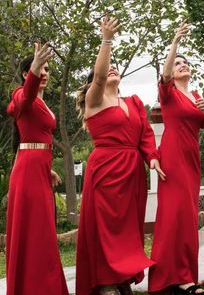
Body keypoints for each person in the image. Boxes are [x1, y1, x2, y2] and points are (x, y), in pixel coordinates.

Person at [75, 16, 165, 295]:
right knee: (105, 226)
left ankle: (122, 277)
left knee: (127, 229)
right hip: (105, 168)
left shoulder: (135, 103)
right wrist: (107, 40)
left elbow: (146, 135)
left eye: (116, 68)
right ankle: (105, 283)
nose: (112, 70)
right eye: (107, 69)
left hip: (132, 171)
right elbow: (100, 76)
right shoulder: (95, 100)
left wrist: (151, 156)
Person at [149, 23, 204, 294]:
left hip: (192, 159)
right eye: (178, 63)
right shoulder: (169, 94)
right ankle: (172, 278)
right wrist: (175, 41)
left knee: (188, 217)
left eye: (185, 63)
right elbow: (164, 75)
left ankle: (184, 274)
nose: (182, 65)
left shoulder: (196, 95)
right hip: (173, 158)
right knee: (173, 217)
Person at [5, 44, 68, 295]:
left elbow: (40, 139)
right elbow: (25, 98)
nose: (44, 72)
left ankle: (45, 285)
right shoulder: (21, 95)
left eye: (47, 68)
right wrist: (33, 69)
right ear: (26, 73)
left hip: (39, 168)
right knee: (35, 229)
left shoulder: (44, 103)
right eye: (39, 67)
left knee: (43, 230)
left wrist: (48, 169)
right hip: (28, 170)